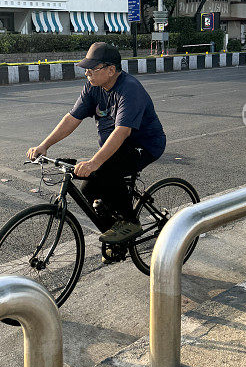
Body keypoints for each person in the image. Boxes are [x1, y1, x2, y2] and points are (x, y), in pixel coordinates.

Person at [27, 42, 166, 252]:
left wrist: (94, 162)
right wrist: (44, 145)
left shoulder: (130, 89)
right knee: (89, 188)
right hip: (114, 148)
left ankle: (130, 222)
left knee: (107, 169)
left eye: (92, 69)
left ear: (111, 70)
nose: (87, 74)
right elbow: (72, 119)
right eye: (86, 70)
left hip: (144, 145)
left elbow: (122, 132)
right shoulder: (93, 88)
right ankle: (118, 239)